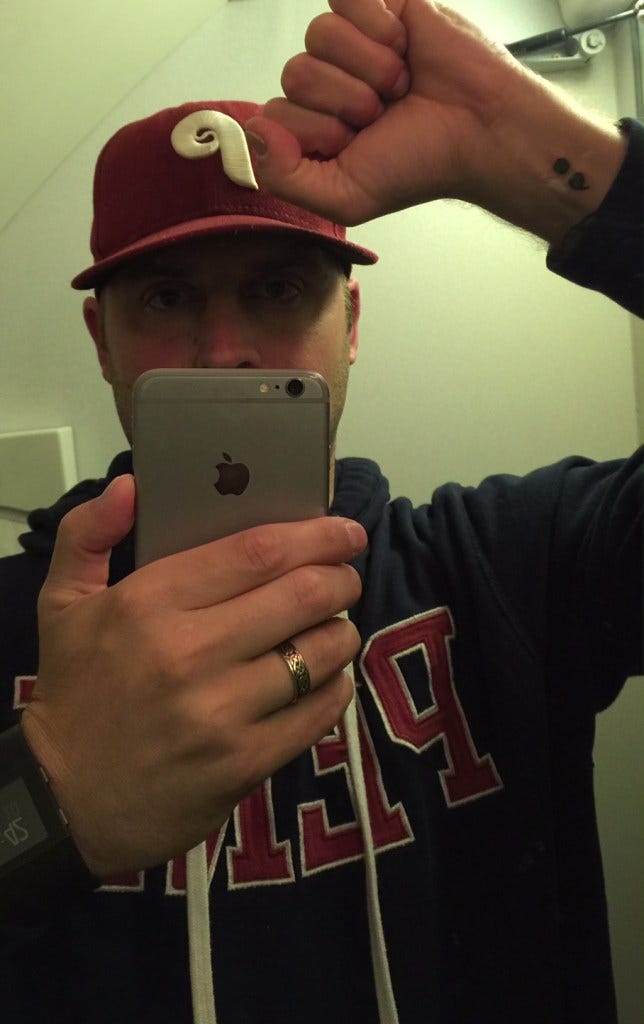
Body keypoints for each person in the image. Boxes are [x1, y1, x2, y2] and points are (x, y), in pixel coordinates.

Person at [0, 1, 641, 1022]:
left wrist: (556, 162)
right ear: (100, 340)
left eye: (277, 289)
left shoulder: (517, 566)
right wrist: (48, 792)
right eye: (165, 298)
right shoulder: (12, 623)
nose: (224, 352)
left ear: (350, 323)